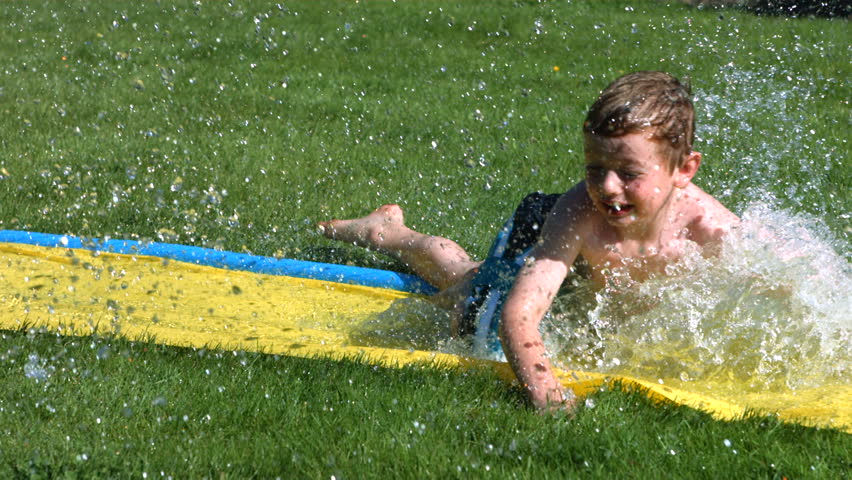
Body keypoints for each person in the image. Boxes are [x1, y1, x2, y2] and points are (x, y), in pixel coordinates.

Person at [318, 71, 739, 413]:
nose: (608, 187)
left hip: (582, 295)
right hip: (544, 242)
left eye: (629, 173)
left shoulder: (708, 226)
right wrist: (544, 391)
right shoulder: (580, 214)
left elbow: (785, 273)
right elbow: (519, 315)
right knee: (468, 300)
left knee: (468, 279)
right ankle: (385, 233)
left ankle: (387, 230)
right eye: (595, 169)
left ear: (684, 169)